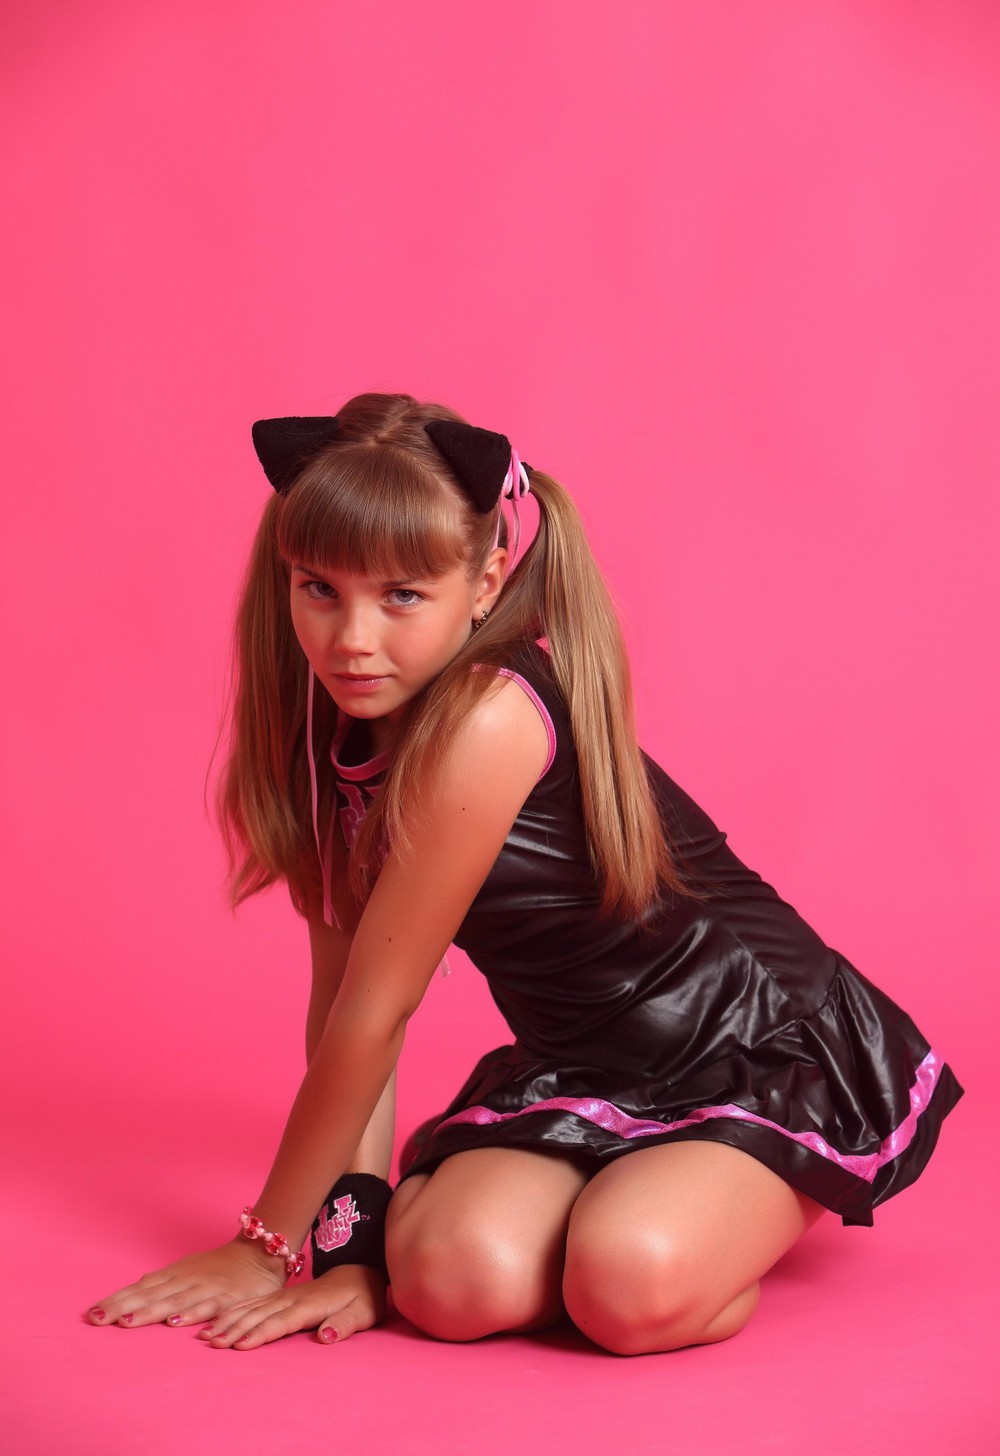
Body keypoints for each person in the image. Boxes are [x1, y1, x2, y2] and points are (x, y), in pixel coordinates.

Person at [85, 392, 963, 1356]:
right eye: (319, 589)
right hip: (583, 1066)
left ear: (487, 581)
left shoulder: (488, 716)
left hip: (753, 1046)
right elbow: (344, 1011)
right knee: (447, 1282)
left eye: (402, 596)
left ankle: (707, 1212)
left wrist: (263, 1248)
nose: (352, 639)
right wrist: (348, 1250)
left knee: (625, 1284)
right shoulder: (339, 737)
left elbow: (378, 1013)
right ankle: (633, 1198)